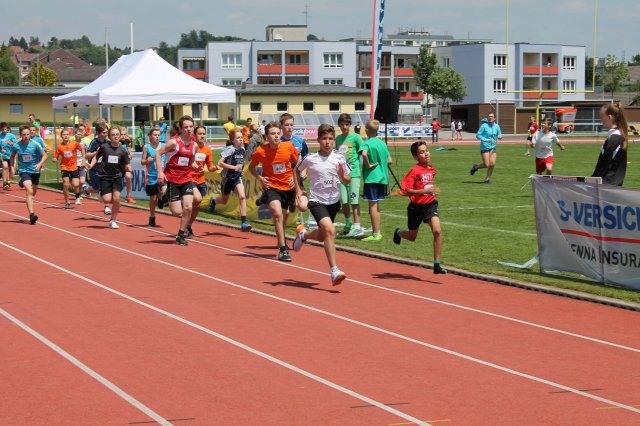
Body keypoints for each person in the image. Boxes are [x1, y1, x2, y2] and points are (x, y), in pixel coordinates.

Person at [293, 124, 351, 285]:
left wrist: (342, 176)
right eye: (324, 138)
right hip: (316, 201)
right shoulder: (310, 158)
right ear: (318, 140)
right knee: (330, 230)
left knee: (322, 235)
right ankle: (334, 271)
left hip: (334, 202)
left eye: (330, 139)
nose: (327, 142)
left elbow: (348, 179)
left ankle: (303, 234)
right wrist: (298, 190)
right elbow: (296, 170)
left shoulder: (339, 158)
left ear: (334, 140)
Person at [393, 141, 447, 274]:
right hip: (415, 208)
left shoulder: (432, 169)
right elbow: (405, 191)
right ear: (415, 157)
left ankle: (437, 264)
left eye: (427, 150)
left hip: (430, 205)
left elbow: (427, 186)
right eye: (422, 152)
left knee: (437, 231)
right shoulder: (414, 171)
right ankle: (398, 232)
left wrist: (431, 191)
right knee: (412, 237)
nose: (426, 154)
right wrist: (425, 191)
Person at [249, 121, 299, 261]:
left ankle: (280, 237)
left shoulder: (288, 146)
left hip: (288, 187)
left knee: (286, 213)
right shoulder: (261, 151)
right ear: (267, 136)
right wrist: (260, 178)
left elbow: (298, 164)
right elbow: (251, 167)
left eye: (278, 133)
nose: (276, 136)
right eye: (272, 134)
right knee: (277, 214)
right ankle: (283, 250)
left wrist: (295, 177)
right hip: (271, 187)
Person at [156, 115, 198, 246]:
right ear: (180, 128)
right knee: (177, 212)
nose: (189, 129)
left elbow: (190, 161)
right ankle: (163, 196)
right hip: (172, 179)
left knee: (188, 207)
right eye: (186, 127)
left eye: (191, 126)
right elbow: (158, 153)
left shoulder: (194, 145)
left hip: (186, 178)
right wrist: (160, 172)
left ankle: (180, 235)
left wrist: (195, 166)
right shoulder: (174, 142)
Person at [87, 127, 130, 229]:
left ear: (120, 136)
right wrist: (91, 165)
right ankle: (102, 194)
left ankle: (113, 220)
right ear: (110, 137)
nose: (116, 136)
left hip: (117, 176)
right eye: (113, 135)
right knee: (107, 199)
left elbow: (126, 163)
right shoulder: (104, 147)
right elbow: (96, 156)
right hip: (105, 176)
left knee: (117, 198)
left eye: (117, 134)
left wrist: (128, 167)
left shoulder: (123, 150)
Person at [211, 127, 251, 232]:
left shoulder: (243, 149)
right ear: (233, 140)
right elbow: (220, 163)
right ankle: (214, 201)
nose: (241, 139)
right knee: (224, 201)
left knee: (242, 197)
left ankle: (244, 223)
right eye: (238, 138)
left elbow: (241, 162)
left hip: (237, 178)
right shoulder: (230, 149)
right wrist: (234, 167)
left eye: (241, 137)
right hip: (227, 179)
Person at [359, 119, 392, 242]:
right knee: (376, 206)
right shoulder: (382, 144)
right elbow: (390, 160)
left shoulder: (367, 143)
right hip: (382, 178)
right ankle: (377, 231)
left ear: (367, 130)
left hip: (371, 178)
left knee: (372, 206)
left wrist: (369, 165)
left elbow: (364, 154)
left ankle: (376, 233)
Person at [10, 125, 47, 224]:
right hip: (24, 171)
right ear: (20, 135)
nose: (26, 136)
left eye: (27, 134)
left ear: (30, 134)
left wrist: (39, 164)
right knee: (29, 190)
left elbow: (44, 155)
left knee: (33, 192)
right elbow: (12, 156)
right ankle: (32, 214)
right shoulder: (16, 146)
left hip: (35, 171)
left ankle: (23, 183)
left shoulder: (35, 144)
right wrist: (12, 168)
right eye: (24, 134)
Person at [335, 113, 364, 237]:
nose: (344, 127)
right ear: (339, 125)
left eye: (347, 124)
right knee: (344, 201)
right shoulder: (338, 139)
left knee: (354, 200)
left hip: (354, 174)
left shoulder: (356, 137)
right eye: (342, 124)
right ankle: (348, 223)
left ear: (350, 125)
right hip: (342, 175)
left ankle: (357, 226)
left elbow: (363, 152)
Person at [187, 125, 216, 236]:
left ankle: (188, 225)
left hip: (201, 180)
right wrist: (194, 166)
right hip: (189, 178)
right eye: (200, 134)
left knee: (197, 205)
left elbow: (210, 166)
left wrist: (215, 168)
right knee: (196, 199)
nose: (202, 136)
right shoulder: (191, 147)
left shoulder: (207, 150)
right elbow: (188, 162)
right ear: (195, 135)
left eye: (204, 133)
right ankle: (184, 224)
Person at [592, 103, 629, 186]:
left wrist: (591, 180)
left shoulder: (614, 138)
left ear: (609, 117)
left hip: (606, 185)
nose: (600, 120)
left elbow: (603, 165)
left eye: (601, 117)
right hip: (611, 184)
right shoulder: (618, 136)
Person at [51, 127, 85, 208]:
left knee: (76, 184)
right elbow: (55, 157)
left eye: (67, 134)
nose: (65, 136)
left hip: (73, 167)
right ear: (61, 136)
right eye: (64, 135)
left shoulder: (74, 143)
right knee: (66, 184)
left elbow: (82, 149)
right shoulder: (59, 147)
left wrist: (83, 159)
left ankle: (77, 197)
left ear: (69, 135)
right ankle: (67, 202)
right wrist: (54, 159)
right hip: (64, 167)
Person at [84, 123, 113, 215]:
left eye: (106, 132)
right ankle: (87, 190)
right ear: (98, 133)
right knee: (96, 188)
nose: (106, 134)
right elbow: (87, 155)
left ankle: (106, 207)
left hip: (105, 169)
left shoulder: (108, 142)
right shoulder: (94, 142)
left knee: (105, 187)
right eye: (104, 132)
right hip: (95, 168)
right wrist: (97, 152)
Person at [141, 127, 165, 226]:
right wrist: (147, 160)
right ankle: (152, 216)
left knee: (164, 191)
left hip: (162, 174)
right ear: (150, 136)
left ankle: (161, 198)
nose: (157, 137)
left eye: (158, 135)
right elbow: (142, 162)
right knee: (153, 198)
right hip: (151, 175)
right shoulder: (146, 147)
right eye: (155, 135)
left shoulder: (164, 146)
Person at [470, 112, 502, 184]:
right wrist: (486, 140)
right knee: (487, 164)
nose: (490, 117)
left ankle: (487, 179)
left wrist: (500, 136)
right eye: (489, 116)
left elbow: (499, 133)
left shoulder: (497, 126)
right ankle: (476, 167)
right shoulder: (484, 126)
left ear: (494, 118)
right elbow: (478, 135)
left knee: (492, 164)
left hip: (493, 147)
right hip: (484, 146)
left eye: (491, 116)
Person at [72, 124, 92, 195]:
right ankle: (78, 193)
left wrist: (87, 162)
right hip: (74, 164)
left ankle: (80, 191)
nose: (79, 135)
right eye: (79, 130)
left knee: (82, 181)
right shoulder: (72, 142)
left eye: (82, 130)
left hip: (82, 163)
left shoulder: (85, 143)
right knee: (76, 181)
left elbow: (88, 152)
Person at [118, 126, 137, 204]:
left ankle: (128, 196)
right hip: (117, 165)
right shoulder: (116, 142)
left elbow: (128, 149)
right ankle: (115, 195)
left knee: (129, 177)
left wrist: (130, 153)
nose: (123, 136)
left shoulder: (127, 141)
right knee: (117, 181)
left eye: (124, 134)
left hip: (126, 164)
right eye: (121, 134)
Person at [1, 122, 17, 189]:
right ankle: (4, 183)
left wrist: (10, 142)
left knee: (10, 171)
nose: (4, 131)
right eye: (2, 129)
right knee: (5, 167)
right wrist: (1, 149)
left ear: (7, 129)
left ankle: (8, 181)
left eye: (5, 129)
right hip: (3, 155)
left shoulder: (11, 136)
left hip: (11, 155)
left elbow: (16, 144)